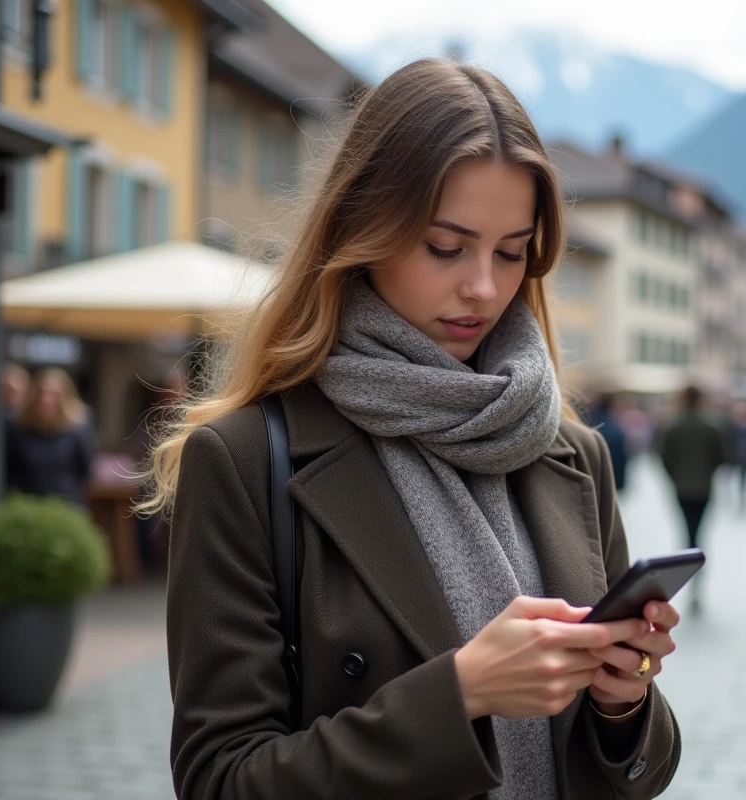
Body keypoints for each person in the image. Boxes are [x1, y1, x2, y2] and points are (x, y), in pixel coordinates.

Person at [143, 59, 682, 799]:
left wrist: (622, 700)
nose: (484, 287)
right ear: (364, 226)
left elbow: (631, 771)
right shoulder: (241, 460)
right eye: (445, 246)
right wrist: (458, 695)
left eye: (511, 250)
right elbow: (221, 780)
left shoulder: (573, 454)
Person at [658, 386, 727, 611]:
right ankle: (697, 580)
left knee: (687, 532)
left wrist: (676, 477)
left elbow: (665, 457)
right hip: (704, 488)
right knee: (699, 534)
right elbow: (721, 457)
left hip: (682, 489)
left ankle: (689, 577)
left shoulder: (674, 426)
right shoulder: (711, 426)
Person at [5, 367, 95, 506]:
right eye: (41, 393)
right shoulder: (18, 429)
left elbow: (86, 471)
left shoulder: (77, 431)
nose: (45, 399)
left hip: (65, 507)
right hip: (27, 507)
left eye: (53, 395)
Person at [585, 393, 630, 492]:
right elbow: (620, 457)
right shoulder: (613, 428)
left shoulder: (588, 422)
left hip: (592, 480)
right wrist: (620, 483)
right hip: (607, 479)